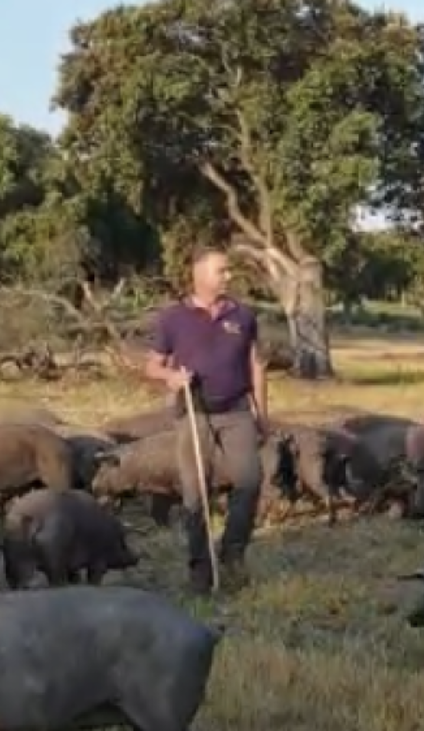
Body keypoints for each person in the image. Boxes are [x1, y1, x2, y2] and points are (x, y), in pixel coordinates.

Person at [145, 246, 268, 595]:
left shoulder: (243, 316)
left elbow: (256, 366)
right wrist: (169, 377)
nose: (228, 277)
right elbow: (152, 364)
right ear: (199, 275)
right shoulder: (173, 318)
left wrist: (262, 413)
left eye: (229, 271)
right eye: (222, 271)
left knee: (249, 481)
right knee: (195, 494)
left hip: (237, 410)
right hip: (194, 414)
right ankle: (200, 567)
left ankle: (233, 552)